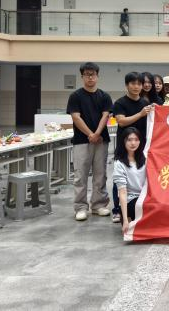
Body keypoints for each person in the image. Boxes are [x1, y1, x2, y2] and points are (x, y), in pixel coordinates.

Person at [66, 62, 113, 221]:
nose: (90, 77)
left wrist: (97, 133)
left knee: (100, 174)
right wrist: (90, 134)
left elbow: (105, 116)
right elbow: (75, 117)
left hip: (101, 140)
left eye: (93, 74)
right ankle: (80, 207)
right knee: (80, 175)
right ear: (82, 76)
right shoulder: (75, 96)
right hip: (81, 140)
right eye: (87, 74)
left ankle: (98, 205)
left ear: (97, 76)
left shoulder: (105, 96)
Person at [112, 72, 152, 222]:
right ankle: (117, 210)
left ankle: (136, 205)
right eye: (133, 83)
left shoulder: (145, 102)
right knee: (119, 179)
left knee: (139, 176)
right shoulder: (120, 103)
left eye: (139, 84)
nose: (136, 87)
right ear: (127, 85)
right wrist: (140, 114)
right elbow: (121, 121)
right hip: (124, 147)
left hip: (141, 147)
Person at [113, 127, 147, 235]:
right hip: (131, 200)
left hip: (145, 197)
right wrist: (125, 221)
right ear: (123, 141)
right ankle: (127, 217)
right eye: (129, 140)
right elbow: (122, 192)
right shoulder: (119, 164)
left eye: (136, 139)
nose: (133, 143)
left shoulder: (146, 158)